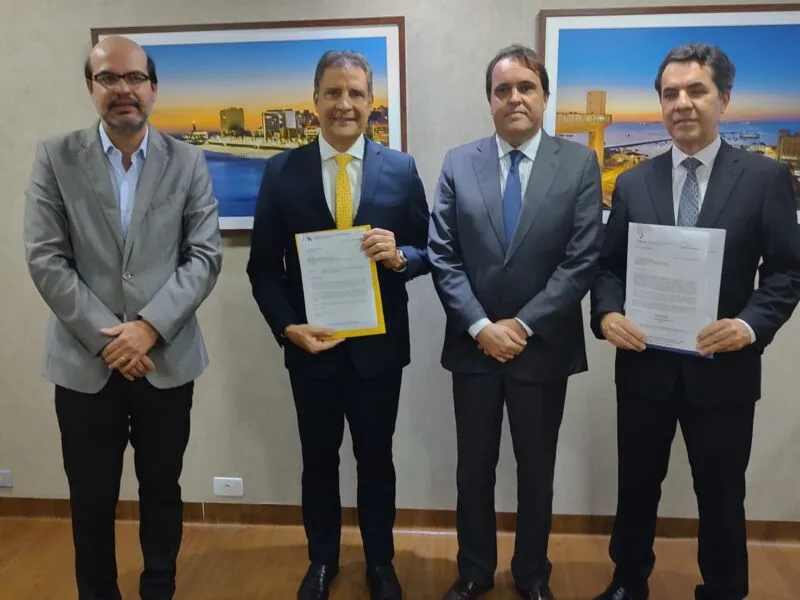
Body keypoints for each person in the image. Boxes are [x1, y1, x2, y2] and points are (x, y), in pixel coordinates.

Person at [590, 43, 800, 600]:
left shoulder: (764, 179)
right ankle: (628, 581)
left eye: (696, 90)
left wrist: (750, 325)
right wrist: (607, 313)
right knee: (635, 487)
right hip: (643, 365)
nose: (682, 103)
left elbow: (786, 273)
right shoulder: (632, 183)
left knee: (722, 493)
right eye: (670, 93)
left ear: (724, 99)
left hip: (724, 371)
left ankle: (726, 589)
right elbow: (607, 268)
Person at [22, 35, 222, 600]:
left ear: (154, 89)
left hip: (168, 357)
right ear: (91, 88)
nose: (123, 90)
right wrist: (109, 338)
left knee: (162, 489)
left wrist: (149, 328)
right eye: (109, 78)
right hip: (84, 363)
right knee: (90, 498)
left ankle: (159, 587)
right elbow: (46, 258)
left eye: (134, 78)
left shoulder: (188, 161)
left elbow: (204, 256)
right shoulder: (55, 157)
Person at [246, 50, 429, 600]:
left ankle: (380, 563)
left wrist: (400, 257)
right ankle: (321, 561)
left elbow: (428, 251)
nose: (344, 104)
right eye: (333, 92)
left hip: (378, 351)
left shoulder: (402, 169)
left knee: (377, 461)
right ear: (316, 101)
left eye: (354, 93)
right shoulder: (282, 171)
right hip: (313, 350)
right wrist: (287, 328)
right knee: (318, 460)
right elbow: (262, 268)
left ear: (371, 102)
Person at [428, 44, 603, 600]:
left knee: (536, 471)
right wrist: (483, 327)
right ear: (490, 100)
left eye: (526, 87)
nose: (515, 98)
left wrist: (521, 326)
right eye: (503, 90)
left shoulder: (577, 163)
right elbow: (443, 254)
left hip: (542, 349)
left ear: (544, 96)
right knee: (473, 470)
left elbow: (581, 260)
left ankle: (532, 574)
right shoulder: (459, 162)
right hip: (474, 350)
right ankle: (474, 570)